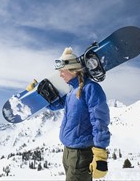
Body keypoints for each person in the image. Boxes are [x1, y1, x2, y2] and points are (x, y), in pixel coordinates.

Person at [39, 47, 110, 181]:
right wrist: (40, 97)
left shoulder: (91, 88)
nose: (60, 75)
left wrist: (100, 151)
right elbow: (58, 105)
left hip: (81, 154)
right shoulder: (72, 91)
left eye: (62, 71)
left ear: (73, 70)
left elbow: (100, 120)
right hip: (68, 152)